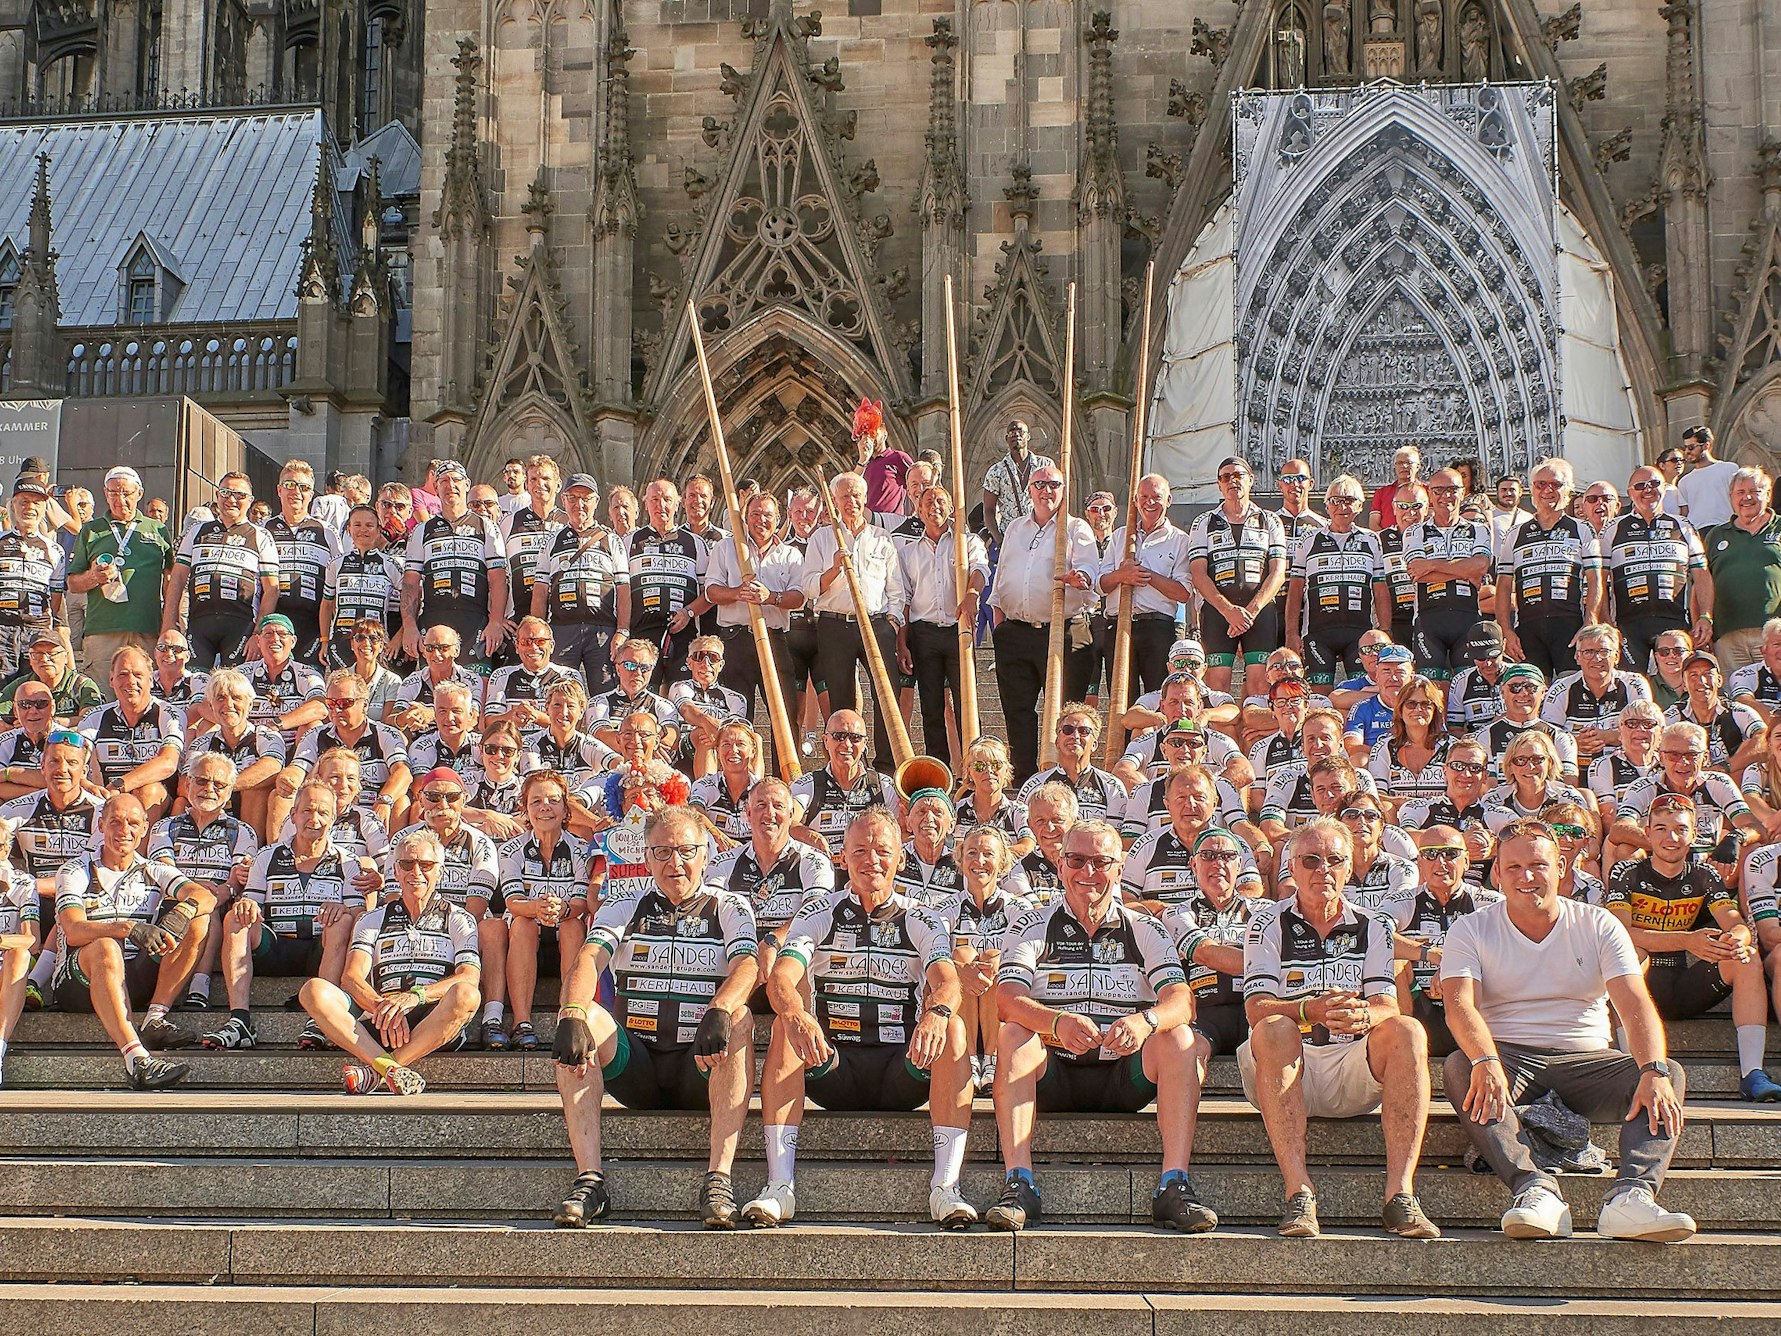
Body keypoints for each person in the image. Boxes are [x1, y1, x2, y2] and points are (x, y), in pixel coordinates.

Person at [1440, 818, 1699, 1241]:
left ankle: (1632, 1198)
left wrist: (1652, 1069)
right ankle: (1534, 1190)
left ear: (1561, 867)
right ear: (1496, 873)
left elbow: (1635, 1004)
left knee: (1666, 1071)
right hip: (1510, 1058)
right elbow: (1459, 1005)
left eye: (1538, 865)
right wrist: (1484, 1059)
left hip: (1589, 1061)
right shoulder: (1471, 927)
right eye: (1513, 868)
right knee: (1459, 1066)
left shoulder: (1598, 924)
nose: (1526, 877)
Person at [742, 807, 969, 1227]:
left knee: (953, 1026)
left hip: (902, 1068)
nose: (872, 861)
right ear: (841, 858)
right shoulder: (819, 912)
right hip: (834, 1066)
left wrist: (937, 1013)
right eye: (859, 850)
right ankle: (779, 1185)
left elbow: (949, 982)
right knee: (783, 1023)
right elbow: (780, 980)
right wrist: (796, 1012)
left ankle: (946, 1187)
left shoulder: (923, 916)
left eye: (883, 850)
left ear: (901, 857)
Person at [988, 817, 1213, 1233]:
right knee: (1014, 1033)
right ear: (1060, 864)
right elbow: (1006, 999)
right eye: (1076, 859)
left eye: (1100, 862)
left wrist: (1146, 1021)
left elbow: (1182, 1001)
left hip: (1122, 1072)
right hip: (1053, 1072)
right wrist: (1056, 1022)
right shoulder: (1031, 924)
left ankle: (1174, 1185)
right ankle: (1019, 1183)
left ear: (1119, 868)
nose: (1087, 872)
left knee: (1180, 1037)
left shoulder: (1145, 927)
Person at [549, 804, 756, 1227]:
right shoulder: (625, 903)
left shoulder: (731, 906)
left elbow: (748, 965)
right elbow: (590, 956)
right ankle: (590, 1181)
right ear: (646, 858)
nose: (674, 862)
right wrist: (570, 1011)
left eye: (685, 850)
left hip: (698, 1063)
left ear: (706, 854)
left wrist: (719, 1007)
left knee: (743, 1017)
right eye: (661, 852)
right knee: (581, 1015)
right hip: (638, 1065)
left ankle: (719, 1179)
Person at [1241, 816, 1438, 1239]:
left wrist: (1368, 1016)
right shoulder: (1265, 922)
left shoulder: (1375, 926)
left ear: (1350, 868)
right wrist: (1309, 1010)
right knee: (1274, 1027)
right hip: (1286, 1062)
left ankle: (1400, 1195)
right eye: (1310, 860)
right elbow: (1256, 1009)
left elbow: (1386, 1003)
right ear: (1290, 868)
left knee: (1408, 1030)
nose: (1322, 870)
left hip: (1352, 1062)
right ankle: (1299, 1193)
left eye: (1334, 860)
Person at [1603, 795, 1780, 1100]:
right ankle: (1631, 1067)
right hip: (1640, 984)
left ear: (1694, 835)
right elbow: (1622, 933)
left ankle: (1753, 1073)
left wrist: (1737, 939)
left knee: (1746, 958)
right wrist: (1686, 940)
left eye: (1680, 830)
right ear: (1647, 832)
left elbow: (1736, 923)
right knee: (1631, 954)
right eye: (1660, 829)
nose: (1670, 838)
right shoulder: (1627, 872)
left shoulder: (1704, 874)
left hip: (1684, 986)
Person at [299, 825, 481, 1095]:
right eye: (406, 864)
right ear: (395, 871)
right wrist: (383, 1007)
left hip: (432, 1016)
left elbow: (469, 976)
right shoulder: (373, 918)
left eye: (426, 865)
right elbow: (351, 977)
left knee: (467, 995)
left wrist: (414, 997)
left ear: (440, 871)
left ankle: (377, 1071)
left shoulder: (459, 918)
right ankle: (390, 1069)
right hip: (382, 1016)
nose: (415, 872)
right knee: (313, 990)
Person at [51, 791, 217, 1086]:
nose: (123, 831)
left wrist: (182, 912)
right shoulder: (75, 869)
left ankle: (155, 1017)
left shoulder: (152, 868)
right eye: (115, 822)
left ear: (144, 830)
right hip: (79, 980)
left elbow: (204, 896)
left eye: (132, 823)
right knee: (106, 947)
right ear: (100, 826)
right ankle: (137, 1059)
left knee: (197, 920)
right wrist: (126, 928)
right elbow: (73, 930)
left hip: (133, 974)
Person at [201, 781, 371, 1051]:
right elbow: (251, 901)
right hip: (277, 946)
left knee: (345, 921)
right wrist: (245, 904)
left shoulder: (348, 862)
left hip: (321, 948)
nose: (314, 819)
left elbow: (362, 915)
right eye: (307, 811)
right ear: (293, 815)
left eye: (323, 813)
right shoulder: (267, 856)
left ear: (334, 818)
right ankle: (239, 1020)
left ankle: (320, 1018)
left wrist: (345, 909)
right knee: (236, 917)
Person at [988, 465, 1098, 781]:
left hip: (1063, 630)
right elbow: (1002, 576)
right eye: (1040, 484)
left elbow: (1089, 565)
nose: (1046, 491)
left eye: (1053, 485)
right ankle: (1023, 778)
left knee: (1066, 715)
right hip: (1016, 632)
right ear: (1029, 490)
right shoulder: (1015, 529)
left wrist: (1082, 578)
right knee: (1017, 711)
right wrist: (1000, 623)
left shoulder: (1076, 528)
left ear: (1064, 489)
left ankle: (1067, 777)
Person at [800, 472, 902, 769]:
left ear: (865, 498)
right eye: (844, 496)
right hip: (835, 625)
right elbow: (809, 587)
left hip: (876, 623)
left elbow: (896, 588)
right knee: (841, 697)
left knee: (885, 694)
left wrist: (892, 623)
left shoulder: (882, 538)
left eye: (856, 495)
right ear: (834, 501)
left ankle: (885, 764)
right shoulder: (821, 538)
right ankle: (847, 763)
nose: (851, 502)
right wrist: (834, 568)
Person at [892, 483, 987, 773]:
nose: (934, 506)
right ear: (918, 511)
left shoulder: (965, 542)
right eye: (928, 501)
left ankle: (976, 770)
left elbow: (980, 569)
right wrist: (902, 642)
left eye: (941, 501)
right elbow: (905, 599)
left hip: (958, 629)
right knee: (931, 707)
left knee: (966, 704)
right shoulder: (908, 553)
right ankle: (941, 772)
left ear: (950, 508)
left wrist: (972, 594)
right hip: (924, 634)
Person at [500, 769, 593, 1051]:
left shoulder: (582, 849)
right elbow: (512, 902)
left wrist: (563, 908)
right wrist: (537, 908)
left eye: (553, 800)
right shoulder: (510, 850)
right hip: (527, 938)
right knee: (522, 922)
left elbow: (581, 903)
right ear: (525, 808)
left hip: (566, 933)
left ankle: (569, 1016)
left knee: (573, 925)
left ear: (565, 808)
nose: (545, 807)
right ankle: (522, 1023)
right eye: (536, 801)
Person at [936, 823, 1031, 1090]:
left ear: (1002, 863)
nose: (980, 861)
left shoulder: (1018, 907)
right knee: (961, 954)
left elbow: (1028, 955)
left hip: (1002, 1005)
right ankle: (967, 1057)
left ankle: (991, 1058)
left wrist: (997, 962)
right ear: (960, 859)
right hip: (958, 1003)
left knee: (993, 958)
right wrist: (959, 968)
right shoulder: (945, 908)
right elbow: (932, 953)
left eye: (988, 854)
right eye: (972, 853)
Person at [704, 491, 804, 737]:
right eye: (755, 514)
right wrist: (739, 592)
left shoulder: (790, 555)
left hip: (774, 640)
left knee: (785, 715)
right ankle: (741, 775)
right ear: (745, 518)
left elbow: (799, 597)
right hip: (735, 641)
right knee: (737, 719)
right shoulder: (726, 547)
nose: (761, 520)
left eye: (767, 515)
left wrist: (770, 597)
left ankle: (786, 774)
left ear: (779, 519)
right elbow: (711, 591)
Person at [67, 466, 175, 693]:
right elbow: (73, 584)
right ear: (105, 493)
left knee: (145, 695)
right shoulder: (91, 530)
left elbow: (171, 579)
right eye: (113, 492)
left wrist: (170, 623)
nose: (120, 499)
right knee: (102, 697)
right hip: (103, 630)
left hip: (147, 628)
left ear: (139, 493)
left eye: (126, 493)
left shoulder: (158, 529)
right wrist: (93, 577)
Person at [1188, 457, 1288, 701]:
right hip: (1217, 613)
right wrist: (1228, 610)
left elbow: (1278, 572)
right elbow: (1198, 574)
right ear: (1219, 485)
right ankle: (1218, 739)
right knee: (1216, 686)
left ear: (1251, 480)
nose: (1232, 481)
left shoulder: (1270, 520)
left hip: (1260, 612)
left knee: (1259, 687)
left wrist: (1250, 612)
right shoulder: (1203, 522)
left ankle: (1254, 739)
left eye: (1238, 475)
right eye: (1225, 477)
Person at [1497, 457, 1603, 679]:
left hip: (1569, 625)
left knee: (1571, 688)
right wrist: (1506, 630)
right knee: (1531, 690)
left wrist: (1590, 621)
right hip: (1528, 627)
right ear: (1531, 491)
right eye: (1540, 484)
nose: (1548, 490)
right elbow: (1504, 586)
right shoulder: (1515, 534)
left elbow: (1595, 579)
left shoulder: (1582, 529)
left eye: (1556, 484)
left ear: (1569, 491)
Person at [401, 460, 511, 668]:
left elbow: (497, 579)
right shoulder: (422, 531)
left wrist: (496, 622)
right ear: (436, 487)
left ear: (467, 484)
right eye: (443, 481)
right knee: (435, 693)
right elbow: (410, 584)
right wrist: (409, 627)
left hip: (474, 620)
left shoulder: (486, 526)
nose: (450, 485)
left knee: (476, 693)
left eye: (456, 480)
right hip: (434, 619)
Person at [1603, 465, 1713, 672]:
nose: (1647, 490)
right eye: (1640, 486)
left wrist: (1705, 616)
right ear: (1629, 493)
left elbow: (1702, 573)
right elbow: (1598, 580)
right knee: (1633, 686)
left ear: (1665, 488)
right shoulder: (1614, 528)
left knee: (1678, 684)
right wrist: (1607, 622)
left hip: (1675, 622)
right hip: (1629, 625)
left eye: (1654, 484)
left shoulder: (1683, 525)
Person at [1285, 475, 1389, 689]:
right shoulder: (1309, 540)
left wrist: (1385, 632)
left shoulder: (1371, 540)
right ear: (1326, 506)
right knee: (1319, 696)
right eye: (1335, 500)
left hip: (1359, 633)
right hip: (1318, 632)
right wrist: (1291, 634)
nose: (1342, 506)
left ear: (1360, 506)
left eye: (1349, 500)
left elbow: (1380, 590)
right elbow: (1295, 591)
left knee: (1365, 692)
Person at [530, 473, 629, 695]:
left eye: (586, 498)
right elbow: (540, 592)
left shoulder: (611, 540)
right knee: (560, 693)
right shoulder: (552, 541)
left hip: (602, 630)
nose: (579, 505)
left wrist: (622, 631)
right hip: (562, 629)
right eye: (573, 498)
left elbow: (624, 590)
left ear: (596, 502)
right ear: (563, 500)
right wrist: (537, 633)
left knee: (604, 694)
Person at [1100, 473, 1194, 698]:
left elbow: (1183, 592)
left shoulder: (1180, 540)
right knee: (1121, 702)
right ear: (1135, 501)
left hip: (1158, 629)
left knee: (1160, 699)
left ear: (1168, 500)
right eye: (1144, 496)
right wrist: (1122, 575)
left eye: (1156, 497)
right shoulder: (1119, 536)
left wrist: (1146, 575)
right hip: (1119, 626)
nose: (1149, 502)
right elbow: (1101, 585)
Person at [1403, 469, 1494, 680]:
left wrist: (1432, 564)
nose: (1446, 496)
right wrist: (1464, 570)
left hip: (1468, 617)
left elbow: (1481, 566)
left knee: (1469, 685)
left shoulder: (1479, 529)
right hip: (1428, 619)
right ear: (1430, 494)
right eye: (1439, 490)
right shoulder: (1415, 531)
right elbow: (1417, 572)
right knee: (1432, 689)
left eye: (1452, 490)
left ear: (1463, 493)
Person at [78, 646, 184, 824]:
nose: (130, 681)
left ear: (151, 680)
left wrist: (119, 786)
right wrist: (87, 785)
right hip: (106, 798)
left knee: (147, 791)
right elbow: (74, 757)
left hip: (156, 800)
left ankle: (139, 852)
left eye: (138, 675)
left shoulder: (169, 713)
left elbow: (168, 763)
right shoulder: (95, 717)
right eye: (123, 674)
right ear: (111, 680)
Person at [626, 478, 710, 688]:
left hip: (683, 636)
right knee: (644, 700)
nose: (660, 505)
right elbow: (619, 591)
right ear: (645, 503)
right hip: (641, 636)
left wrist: (689, 612)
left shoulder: (694, 543)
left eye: (666, 499)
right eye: (654, 499)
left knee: (682, 698)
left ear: (677, 503)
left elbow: (708, 593)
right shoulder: (629, 541)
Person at [263, 461, 340, 664]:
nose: (296, 492)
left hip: (313, 625)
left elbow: (337, 582)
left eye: (304, 487)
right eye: (289, 485)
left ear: (312, 494)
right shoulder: (263, 529)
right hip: (274, 623)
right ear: (279, 490)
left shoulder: (327, 531)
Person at [1705, 466, 1781, 674]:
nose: (1747, 497)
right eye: (1740, 492)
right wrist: (1704, 626)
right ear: (1731, 497)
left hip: (1774, 636)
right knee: (1736, 697)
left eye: (1754, 491)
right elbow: (1701, 585)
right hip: (1728, 635)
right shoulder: (1715, 536)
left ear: (1767, 494)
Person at [1542, 624, 1654, 761]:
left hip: (1625, 767)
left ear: (1617, 657)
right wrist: (1574, 742)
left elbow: (1649, 732)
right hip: (1573, 767)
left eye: (1604, 651)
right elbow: (1545, 737)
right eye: (1588, 652)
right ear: (1577, 657)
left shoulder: (1634, 684)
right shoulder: (1561, 688)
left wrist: (1609, 736)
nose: (1597, 658)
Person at [319, 505, 404, 670]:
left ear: (378, 530)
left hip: (375, 643)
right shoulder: (336, 563)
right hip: (341, 643)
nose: (363, 530)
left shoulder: (390, 564)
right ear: (349, 529)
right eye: (357, 525)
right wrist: (324, 641)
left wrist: (398, 638)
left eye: (369, 525)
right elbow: (327, 604)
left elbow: (413, 602)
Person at [0, 478, 69, 680]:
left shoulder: (56, 550)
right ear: (13, 504)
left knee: (34, 690)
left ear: (45, 507)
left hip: (37, 633)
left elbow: (56, 598)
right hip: (2, 629)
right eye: (24, 501)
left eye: (37, 503)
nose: (30, 508)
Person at [1016, 701, 1128, 823]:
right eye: (1067, 730)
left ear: (1095, 744)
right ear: (1057, 741)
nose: (1075, 736)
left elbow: (1115, 837)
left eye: (1084, 731)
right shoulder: (1034, 785)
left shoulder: (1112, 786)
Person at [387, 624, 483, 737]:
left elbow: (473, 721)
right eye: (430, 648)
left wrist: (433, 714)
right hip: (420, 746)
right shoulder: (413, 681)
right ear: (424, 651)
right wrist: (406, 717)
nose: (436, 654)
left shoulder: (470, 680)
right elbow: (390, 722)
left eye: (443, 648)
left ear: (456, 650)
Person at [980, 420, 1055, 547]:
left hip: (1043, 535)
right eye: (1011, 432)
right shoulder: (996, 471)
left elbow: (1057, 499)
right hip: (1011, 538)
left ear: (1028, 436)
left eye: (1020, 431)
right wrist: (999, 539)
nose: (1016, 434)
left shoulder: (1045, 466)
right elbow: (988, 510)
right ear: (1006, 438)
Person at [0, 630, 100, 725]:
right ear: (30, 660)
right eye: (37, 654)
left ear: (66, 657)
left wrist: (52, 723)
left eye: (52, 654)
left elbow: (91, 720)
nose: (44, 659)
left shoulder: (81, 685)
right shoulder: (21, 685)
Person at [1676, 424, 1739, 530]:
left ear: (1706, 446)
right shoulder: (1684, 481)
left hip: (1726, 527)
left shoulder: (1729, 469)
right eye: (1685, 448)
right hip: (1697, 532)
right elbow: (1684, 514)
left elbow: (1738, 499)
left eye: (1691, 447)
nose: (1687, 452)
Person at [1367, 446, 1421, 531]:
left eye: (1409, 462)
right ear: (1394, 466)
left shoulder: (1428, 491)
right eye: (1399, 463)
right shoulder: (1382, 493)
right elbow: (1374, 524)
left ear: (1418, 466)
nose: (1404, 466)